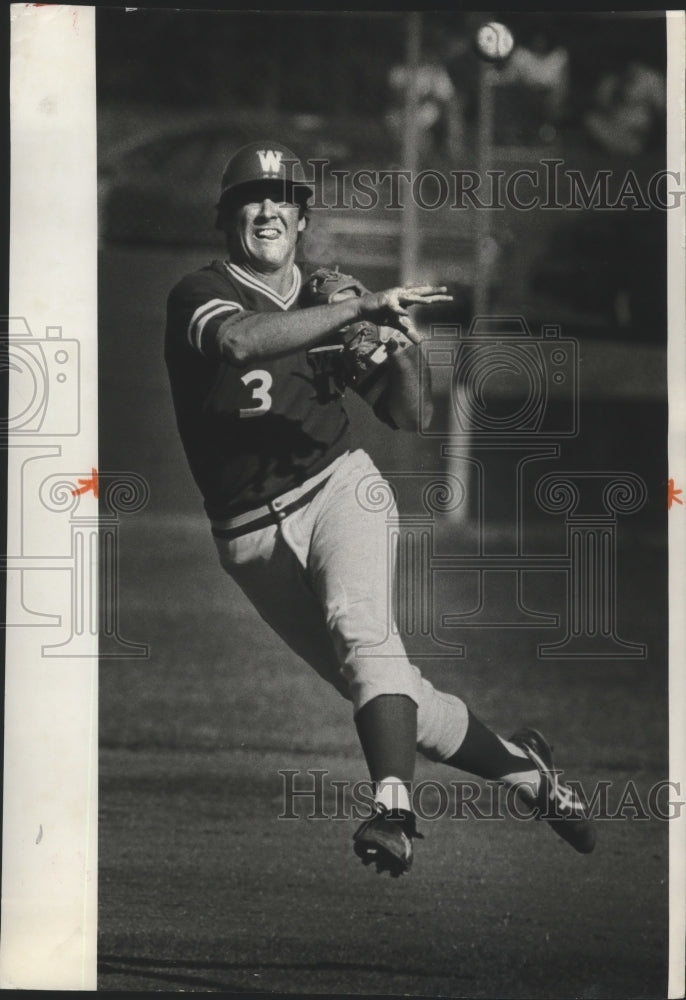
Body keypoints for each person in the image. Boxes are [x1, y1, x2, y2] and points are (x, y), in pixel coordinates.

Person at [165, 140, 596, 877]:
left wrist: (396, 346)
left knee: (364, 642)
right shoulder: (202, 290)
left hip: (341, 489)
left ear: (302, 219)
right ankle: (531, 772)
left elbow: (407, 414)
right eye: (250, 198)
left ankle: (394, 810)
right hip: (246, 538)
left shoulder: (331, 294)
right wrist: (357, 308)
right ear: (227, 217)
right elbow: (238, 342)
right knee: (393, 691)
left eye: (283, 198)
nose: (267, 209)